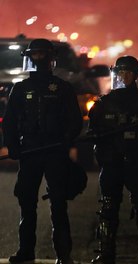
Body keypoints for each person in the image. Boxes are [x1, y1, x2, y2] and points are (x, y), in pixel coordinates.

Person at [2, 38, 83, 264]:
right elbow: (9, 122)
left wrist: (65, 141)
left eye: (41, 54)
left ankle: (63, 254)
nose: (37, 59)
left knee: (58, 203)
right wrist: (14, 146)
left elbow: (75, 121)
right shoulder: (20, 88)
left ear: (50, 57)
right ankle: (26, 251)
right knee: (26, 202)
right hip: (30, 152)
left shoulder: (63, 88)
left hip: (55, 152)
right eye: (34, 55)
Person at [88, 55, 138, 264]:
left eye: (128, 73)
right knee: (107, 209)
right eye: (120, 73)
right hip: (111, 164)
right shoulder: (104, 103)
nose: (124, 77)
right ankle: (106, 254)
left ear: (136, 76)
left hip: (137, 162)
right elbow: (92, 132)